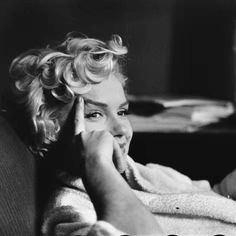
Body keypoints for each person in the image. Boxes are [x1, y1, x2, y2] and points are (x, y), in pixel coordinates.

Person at [8, 33, 236, 235]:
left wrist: (225, 189)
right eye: (95, 114)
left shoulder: (143, 173)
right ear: (49, 128)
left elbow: (207, 199)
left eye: (122, 111)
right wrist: (96, 162)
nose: (122, 129)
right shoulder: (69, 212)